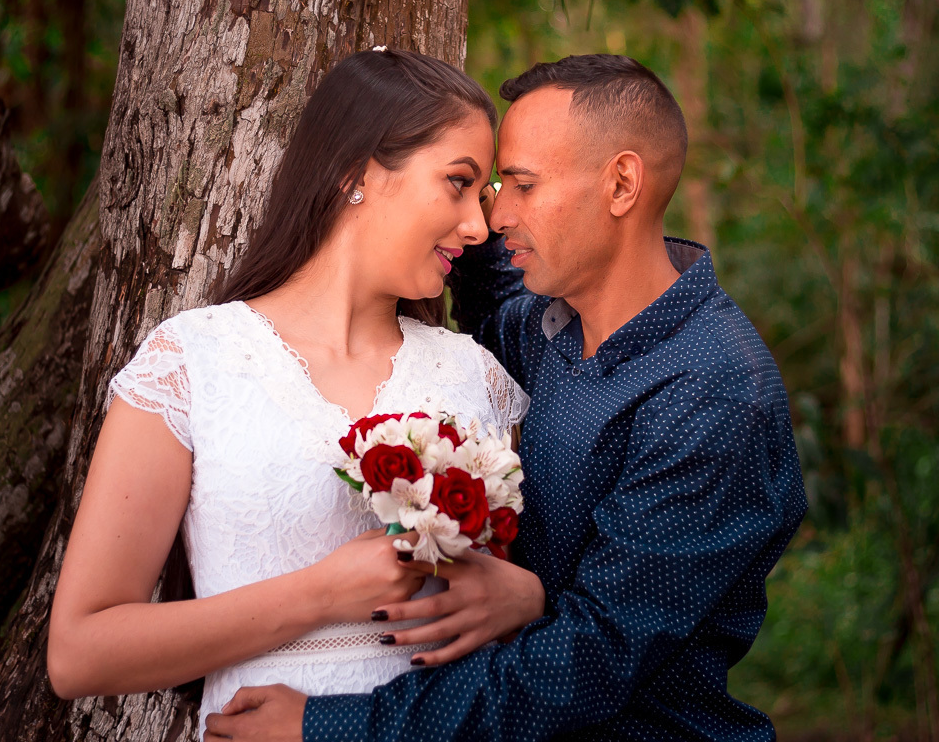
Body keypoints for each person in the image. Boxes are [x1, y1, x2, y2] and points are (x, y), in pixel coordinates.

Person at [204, 55, 809, 741]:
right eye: (489, 186)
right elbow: (490, 278)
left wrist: (324, 726)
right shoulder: (543, 327)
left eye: (520, 184)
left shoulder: (712, 394)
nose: (494, 214)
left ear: (621, 183)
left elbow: (587, 662)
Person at [45, 49, 544, 740]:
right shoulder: (194, 362)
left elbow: (507, 638)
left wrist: (525, 597)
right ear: (357, 173)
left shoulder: (476, 377)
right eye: (457, 184)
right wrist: (323, 595)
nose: (477, 227)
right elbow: (78, 655)